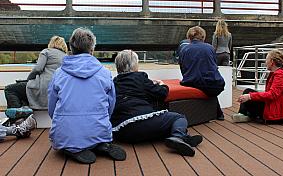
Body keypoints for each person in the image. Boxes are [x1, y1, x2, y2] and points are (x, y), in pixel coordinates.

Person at [48, 28, 126, 164]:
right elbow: (110, 106)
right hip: (99, 130)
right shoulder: (104, 73)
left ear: (71, 48)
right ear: (92, 50)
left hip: (66, 133)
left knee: (65, 138)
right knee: (98, 129)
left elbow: (51, 107)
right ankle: (100, 144)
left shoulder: (59, 73)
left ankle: (74, 149)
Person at [111, 50, 203, 157]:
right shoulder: (140, 78)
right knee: (178, 118)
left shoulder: (114, 82)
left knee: (161, 126)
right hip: (141, 122)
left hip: (122, 132)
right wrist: (162, 84)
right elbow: (162, 93)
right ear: (134, 65)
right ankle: (179, 136)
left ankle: (184, 138)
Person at [4, 36, 68, 120]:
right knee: (23, 90)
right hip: (57, 89)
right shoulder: (66, 57)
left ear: (51, 43)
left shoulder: (46, 52)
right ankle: (23, 111)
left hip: (42, 87)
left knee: (10, 89)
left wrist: (29, 79)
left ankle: (18, 118)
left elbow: (38, 69)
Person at [232, 49, 283, 123]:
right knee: (248, 91)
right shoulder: (279, 73)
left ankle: (245, 114)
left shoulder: (280, 75)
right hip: (279, 110)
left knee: (248, 95)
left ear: (272, 62)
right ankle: (245, 114)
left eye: (266, 60)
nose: (265, 62)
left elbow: (272, 94)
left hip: (280, 115)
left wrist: (250, 96)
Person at [178, 26, 225, 120]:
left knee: (200, 83)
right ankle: (218, 113)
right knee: (208, 87)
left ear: (189, 37)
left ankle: (216, 113)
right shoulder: (210, 48)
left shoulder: (184, 50)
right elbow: (214, 65)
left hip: (192, 82)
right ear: (203, 36)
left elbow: (183, 69)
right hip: (215, 84)